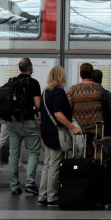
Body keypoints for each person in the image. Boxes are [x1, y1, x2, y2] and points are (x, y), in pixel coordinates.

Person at [37, 66, 82, 207]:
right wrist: (72, 127)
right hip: (55, 132)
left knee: (47, 165)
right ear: (62, 77)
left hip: (45, 130)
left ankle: (42, 196)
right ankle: (52, 197)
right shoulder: (59, 92)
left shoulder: (45, 92)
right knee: (55, 165)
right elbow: (57, 113)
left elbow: (40, 113)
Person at [0, 58, 42, 196]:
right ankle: (29, 183)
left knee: (13, 154)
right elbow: (38, 105)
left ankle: (14, 186)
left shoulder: (12, 82)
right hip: (27, 122)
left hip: (11, 123)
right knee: (34, 151)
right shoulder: (33, 83)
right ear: (30, 68)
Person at [67, 62, 104, 147]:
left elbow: (68, 106)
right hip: (96, 128)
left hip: (79, 127)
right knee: (95, 150)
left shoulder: (73, 89)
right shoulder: (99, 88)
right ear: (92, 74)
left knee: (80, 152)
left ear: (80, 74)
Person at [92, 69, 111, 137]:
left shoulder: (85, 94)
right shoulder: (107, 94)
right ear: (101, 79)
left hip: (87, 127)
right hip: (104, 126)